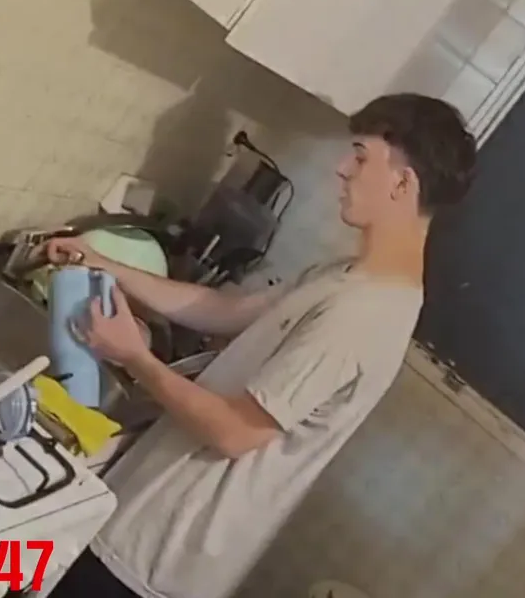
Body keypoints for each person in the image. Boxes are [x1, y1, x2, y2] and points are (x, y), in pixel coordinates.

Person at [41, 94, 477, 598]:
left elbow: (235, 432)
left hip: (155, 557)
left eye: (360, 157)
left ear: (403, 183)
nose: (342, 169)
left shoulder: (364, 314)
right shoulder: (344, 277)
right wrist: (102, 263)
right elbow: (222, 310)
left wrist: (134, 356)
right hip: (134, 526)